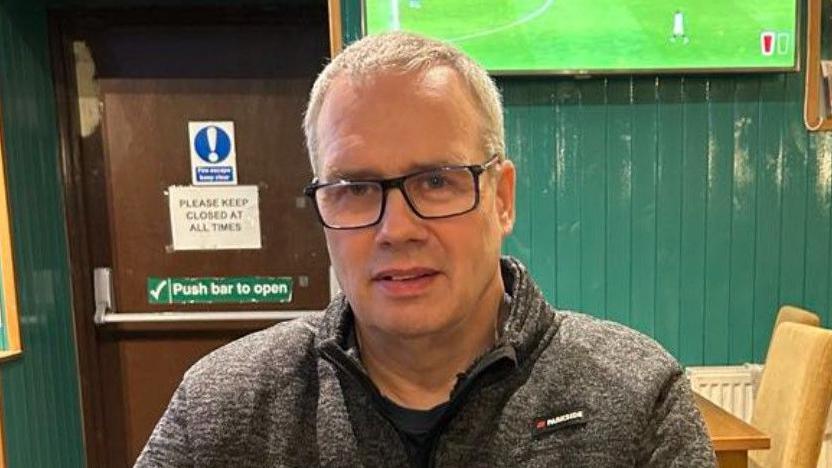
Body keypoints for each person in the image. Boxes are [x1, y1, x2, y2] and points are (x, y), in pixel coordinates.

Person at [136, 31, 717, 467]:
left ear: (502, 198)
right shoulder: (224, 409)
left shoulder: (637, 399)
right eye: (356, 189)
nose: (396, 229)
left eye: (436, 181)